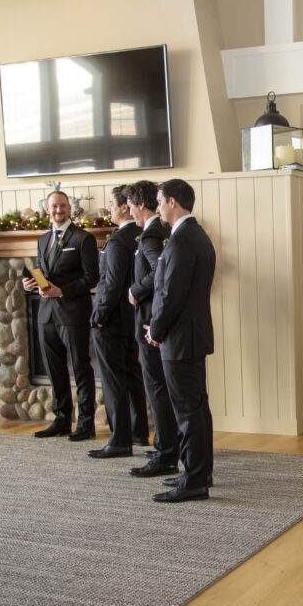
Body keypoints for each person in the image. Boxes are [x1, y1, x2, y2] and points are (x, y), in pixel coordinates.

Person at [145, 179, 216, 502]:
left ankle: (195, 480)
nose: (157, 207)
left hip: (180, 339)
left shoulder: (182, 241)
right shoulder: (196, 235)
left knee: (188, 411)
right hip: (192, 335)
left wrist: (155, 331)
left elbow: (170, 296)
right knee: (197, 408)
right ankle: (199, 472)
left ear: (173, 201)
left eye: (159, 201)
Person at [22, 191, 99, 441]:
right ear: (47, 209)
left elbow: (91, 277)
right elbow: (44, 272)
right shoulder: (43, 239)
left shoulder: (83, 239)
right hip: (46, 315)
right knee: (55, 369)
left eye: (63, 206)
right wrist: (31, 283)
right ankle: (61, 420)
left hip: (73, 312)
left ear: (69, 209)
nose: (58, 210)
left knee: (80, 367)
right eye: (54, 206)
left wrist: (61, 291)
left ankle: (86, 424)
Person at [124, 180, 186, 482]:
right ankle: (167, 445)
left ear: (140, 205)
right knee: (162, 388)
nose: (128, 211)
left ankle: (165, 453)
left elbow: (157, 270)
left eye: (130, 205)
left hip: (151, 321)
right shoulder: (162, 231)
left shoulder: (150, 235)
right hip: (158, 321)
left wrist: (135, 290)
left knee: (157, 389)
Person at [87, 186, 149, 458]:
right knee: (132, 376)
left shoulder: (118, 240)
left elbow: (111, 284)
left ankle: (119, 440)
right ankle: (138, 433)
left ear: (126, 206)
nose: (108, 208)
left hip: (111, 319)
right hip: (130, 318)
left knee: (113, 380)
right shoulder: (140, 236)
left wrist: (98, 316)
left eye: (112, 203)